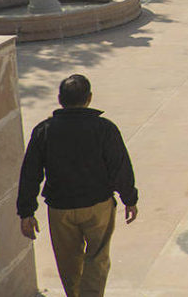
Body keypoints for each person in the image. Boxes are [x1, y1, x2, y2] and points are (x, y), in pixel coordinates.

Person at [17, 75, 139, 297]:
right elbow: (119, 166)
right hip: (97, 206)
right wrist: (129, 199)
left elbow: (30, 173)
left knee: (68, 262)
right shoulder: (104, 128)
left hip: (60, 209)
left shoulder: (44, 130)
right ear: (89, 98)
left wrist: (26, 212)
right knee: (97, 258)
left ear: (60, 99)